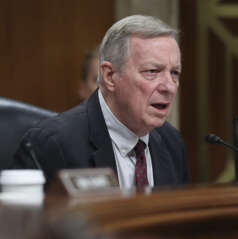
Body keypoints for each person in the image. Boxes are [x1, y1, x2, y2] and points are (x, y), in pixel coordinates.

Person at [13, 15, 191, 190]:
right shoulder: (52, 145)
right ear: (110, 76)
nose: (169, 87)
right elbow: (23, 218)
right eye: (152, 71)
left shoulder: (172, 143)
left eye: (175, 73)